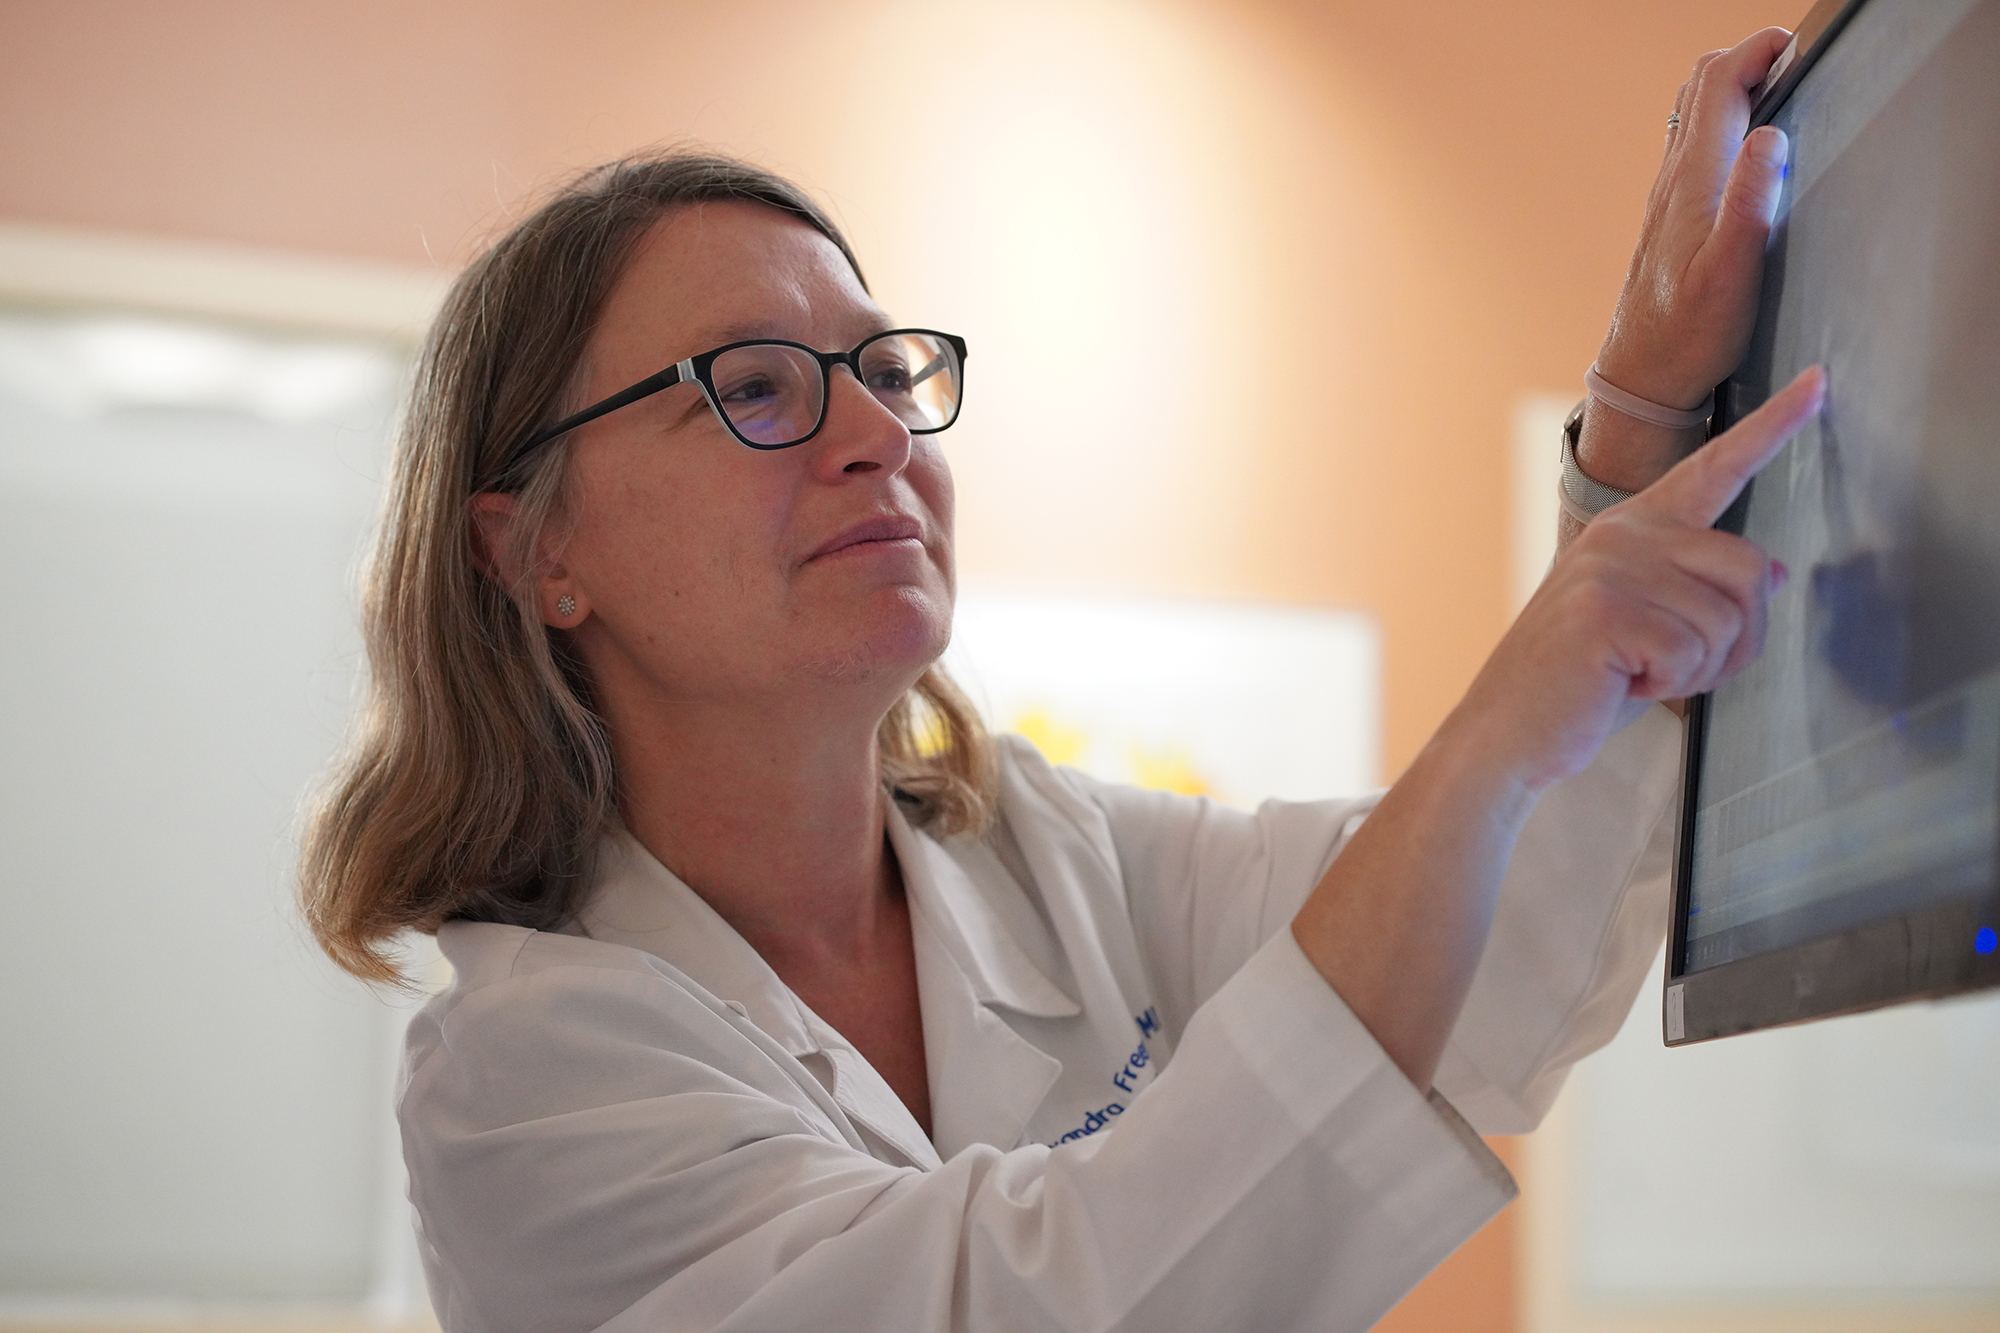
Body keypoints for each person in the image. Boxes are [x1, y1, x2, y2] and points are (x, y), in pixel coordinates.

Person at [300, 28, 1823, 1333]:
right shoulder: (529, 1081)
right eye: (755, 386)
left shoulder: (1046, 853)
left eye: (887, 372)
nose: (879, 435)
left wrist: (1638, 420)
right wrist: (1510, 715)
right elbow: (1042, 1298)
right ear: (532, 551)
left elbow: (1473, 950)